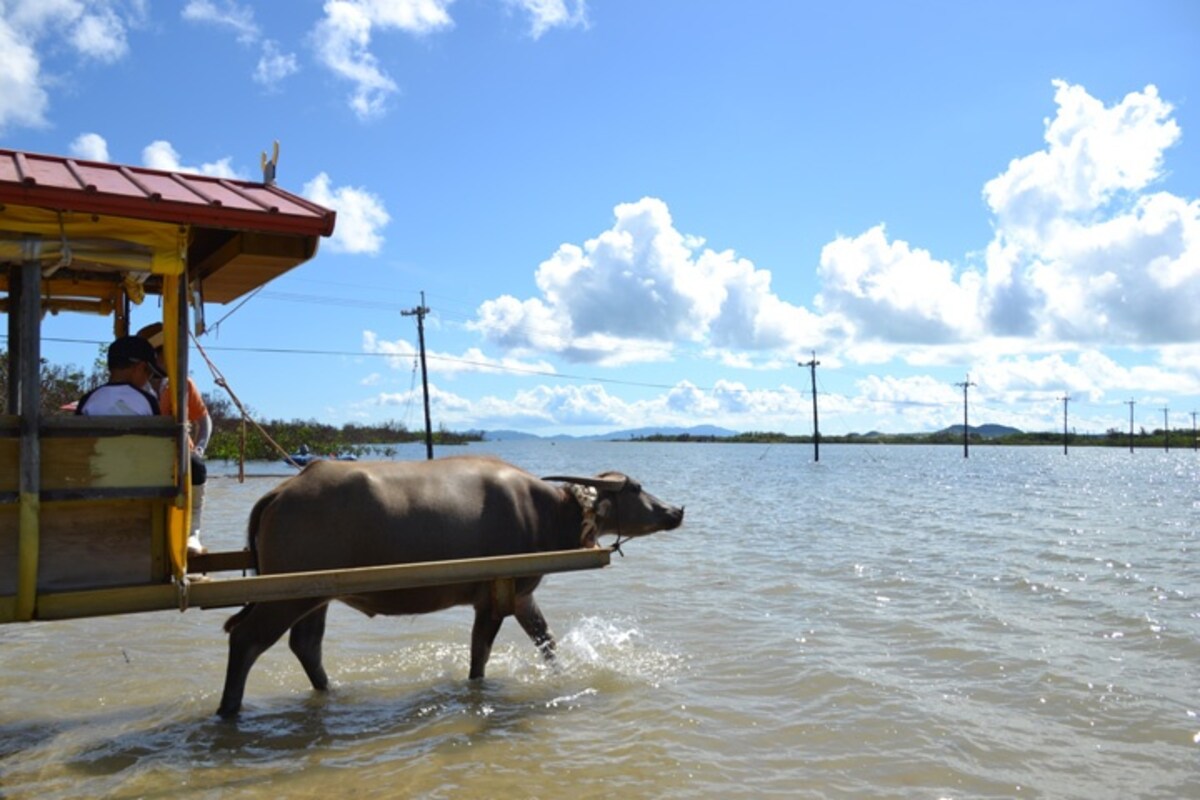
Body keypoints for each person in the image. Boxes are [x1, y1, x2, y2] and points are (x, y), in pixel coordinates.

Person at [136, 322, 212, 556]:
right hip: (148, 453)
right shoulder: (137, 386)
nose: (175, 358)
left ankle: (192, 533)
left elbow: (204, 419)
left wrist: (199, 447)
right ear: (154, 356)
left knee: (197, 467)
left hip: (181, 453)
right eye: (168, 354)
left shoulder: (182, 383)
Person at [75, 336, 164, 416]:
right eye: (149, 373)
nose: (148, 380)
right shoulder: (147, 401)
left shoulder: (88, 400)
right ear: (140, 368)